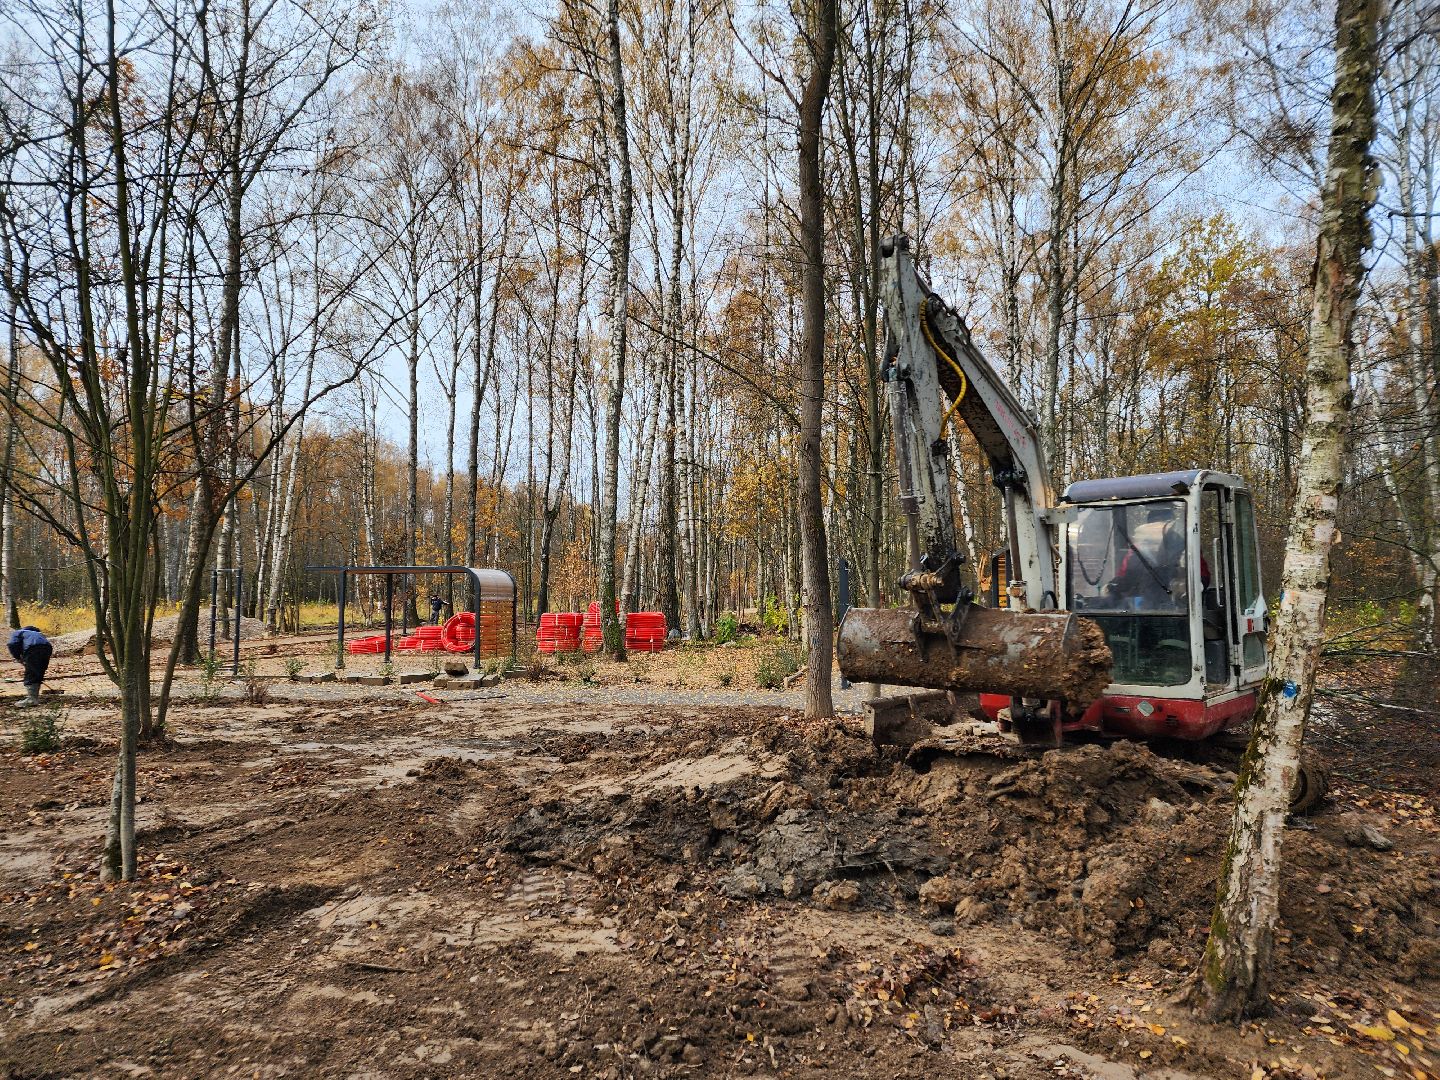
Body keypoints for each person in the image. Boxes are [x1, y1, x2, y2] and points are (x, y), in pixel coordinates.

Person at [7, 626, 53, 708]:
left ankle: (32, 699)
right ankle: (34, 696)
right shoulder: (39, 634)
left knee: (31, 673)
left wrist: (17, 657)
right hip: (47, 648)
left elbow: (12, 644)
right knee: (38, 672)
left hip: (33, 649)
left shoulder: (19, 632)